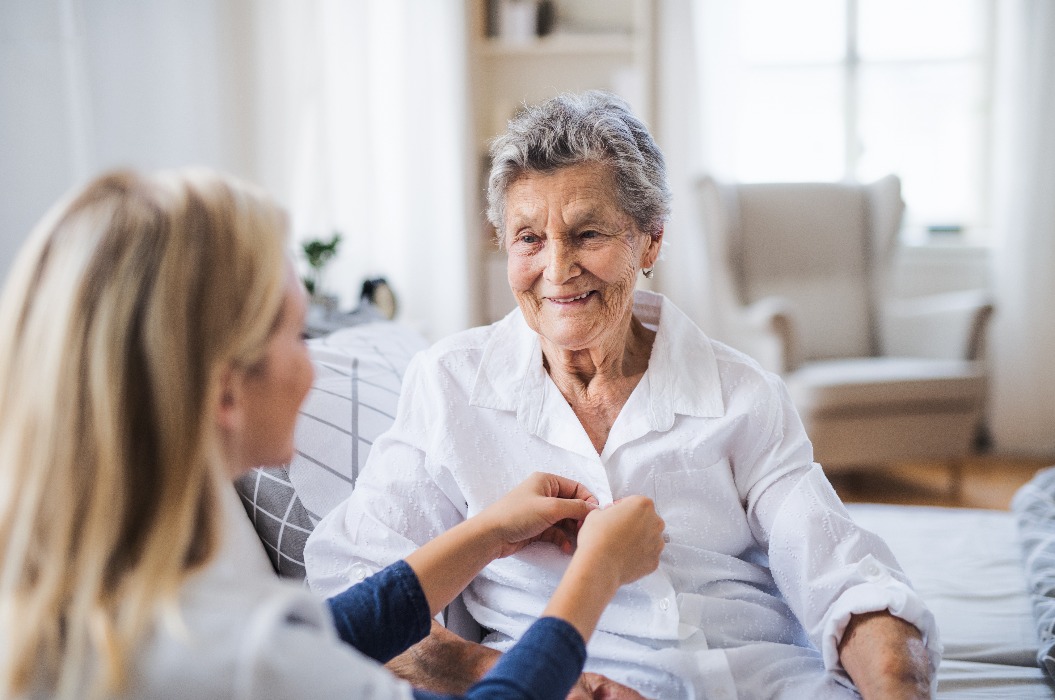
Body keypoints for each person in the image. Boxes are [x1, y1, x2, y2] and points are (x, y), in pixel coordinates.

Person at [304, 91, 942, 700]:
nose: (557, 269)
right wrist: (491, 671)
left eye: (588, 235)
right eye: (529, 238)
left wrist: (893, 674)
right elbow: (354, 584)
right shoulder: (450, 385)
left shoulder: (741, 394)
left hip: (759, 682)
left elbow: (841, 576)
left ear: (651, 240)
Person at [0, 168, 667, 700]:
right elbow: (288, 659)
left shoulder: (90, 603)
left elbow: (327, 634)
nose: (312, 366)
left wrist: (484, 534)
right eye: (297, 334)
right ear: (227, 392)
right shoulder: (248, 659)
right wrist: (594, 573)